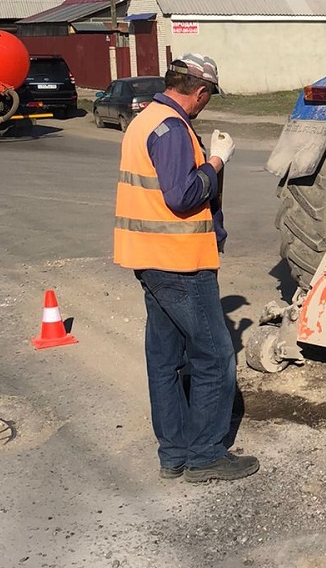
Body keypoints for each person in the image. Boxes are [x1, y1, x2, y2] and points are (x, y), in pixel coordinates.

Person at [113, 53, 259, 483]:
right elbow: (181, 196)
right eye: (207, 96)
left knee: (165, 360)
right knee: (216, 358)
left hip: (149, 259)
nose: (206, 103)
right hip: (180, 264)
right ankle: (206, 455)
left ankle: (173, 454)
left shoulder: (145, 119)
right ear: (199, 91)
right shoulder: (173, 130)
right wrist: (216, 162)